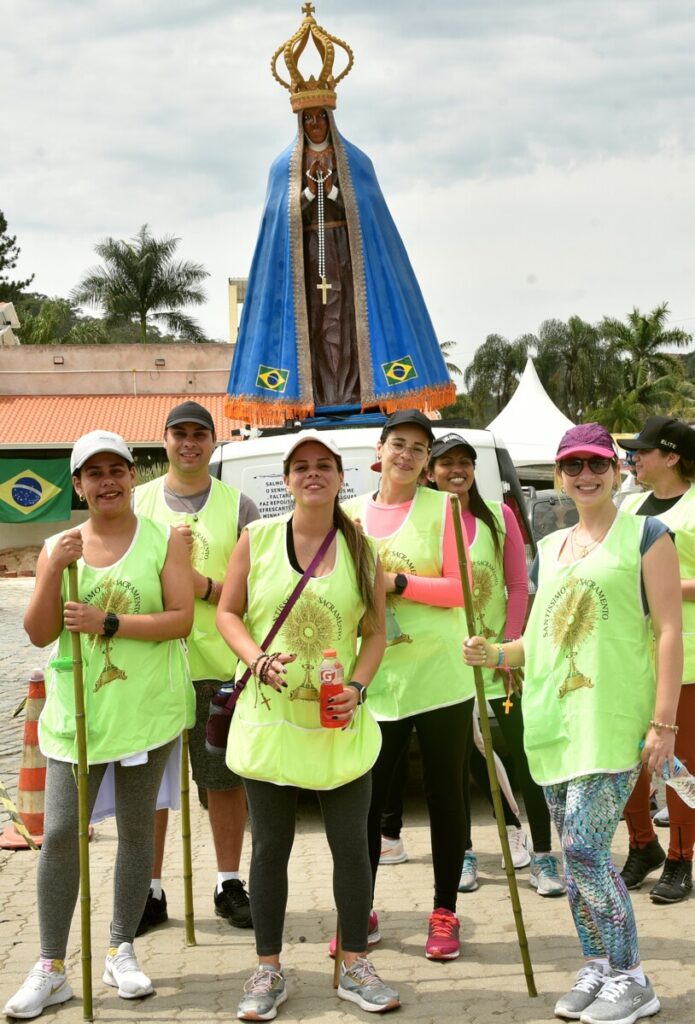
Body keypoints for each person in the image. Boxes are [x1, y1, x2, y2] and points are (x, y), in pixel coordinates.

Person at [464, 423, 682, 1024]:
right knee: (569, 853)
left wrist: (664, 723)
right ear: (560, 476)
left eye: (596, 465)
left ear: (617, 470)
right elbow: (540, 640)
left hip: (611, 720)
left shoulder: (647, 535)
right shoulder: (550, 545)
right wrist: (496, 654)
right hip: (552, 719)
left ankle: (633, 977)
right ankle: (599, 965)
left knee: (586, 850)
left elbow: (668, 630)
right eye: (572, 467)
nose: (584, 476)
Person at [3, 430, 194, 1020]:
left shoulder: (166, 540)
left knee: (138, 833)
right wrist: (50, 571)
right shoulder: (58, 547)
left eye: (117, 469)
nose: (107, 481)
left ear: (132, 477)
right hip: (74, 719)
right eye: (94, 473)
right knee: (61, 835)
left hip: (147, 713)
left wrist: (106, 621)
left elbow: (181, 620)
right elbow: (38, 633)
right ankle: (51, 966)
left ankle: (120, 947)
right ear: (78, 484)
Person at [216, 429, 400, 1020]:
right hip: (270, 723)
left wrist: (358, 687)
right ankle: (268, 969)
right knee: (271, 848)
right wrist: (254, 658)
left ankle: (353, 962)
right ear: (287, 478)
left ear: (342, 478)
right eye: (302, 466)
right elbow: (228, 612)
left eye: (325, 466)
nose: (313, 474)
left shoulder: (362, 548)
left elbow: (375, 632)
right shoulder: (258, 537)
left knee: (351, 848)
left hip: (336, 722)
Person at [225, 5, 454, 422]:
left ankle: (363, 391)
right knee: (314, 325)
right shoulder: (283, 168)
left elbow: (368, 218)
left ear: (330, 117)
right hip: (305, 261)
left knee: (347, 325)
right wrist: (309, 193)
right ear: (300, 119)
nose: (314, 124)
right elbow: (280, 227)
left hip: (349, 260)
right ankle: (310, 396)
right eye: (307, 117)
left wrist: (329, 185)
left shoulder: (356, 163)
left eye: (319, 116)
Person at [343, 410, 475, 961]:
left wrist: (398, 582)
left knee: (447, 798)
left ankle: (445, 911)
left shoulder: (442, 507)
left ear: (426, 464)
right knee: (364, 804)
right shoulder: (346, 515)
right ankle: (360, 909)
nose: (407, 455)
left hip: (441, 677)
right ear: (380, 449)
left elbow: (460, 589)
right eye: (399, 444)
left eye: (419, 449)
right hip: (376, 679)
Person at [133, 400, 259, 932]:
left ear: (213, 442)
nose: (189, 443)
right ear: (164, 440)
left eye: (199, 434)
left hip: (219, 667)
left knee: (224, 782)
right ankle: (150, 889)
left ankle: (229, 882)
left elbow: (258, 589)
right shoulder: (137, 502)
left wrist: (201, 587)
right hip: (153, 666)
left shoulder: (239, 506)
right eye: (179, 433)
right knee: (152, 788)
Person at [427, 432, 564, 897]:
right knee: (460, 766)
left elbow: (517, 585)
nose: (457, 470)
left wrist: (509, 646)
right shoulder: (421, 521)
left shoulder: (500, 517)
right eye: (446, 463)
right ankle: (463, 852)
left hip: (500, 665)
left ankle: (543, 855)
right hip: (445, 667)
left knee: (526, 757)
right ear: (430, 471)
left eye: (465, 462)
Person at [617, 416, 695, 903]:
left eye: (644, 451)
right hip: (631, 655)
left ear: (672, 457)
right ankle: (641, 845)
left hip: (686, 652)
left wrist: (660, 587)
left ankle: (681, 857)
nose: (634, 458)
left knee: (678, 764)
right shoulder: (631, 507)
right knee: (626, 761)